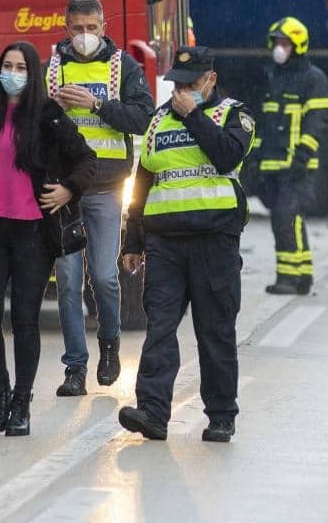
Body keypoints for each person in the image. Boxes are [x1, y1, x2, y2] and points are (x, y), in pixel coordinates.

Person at [0, 41, 95, 436]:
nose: (12, 73)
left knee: (25, 319)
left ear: (33, 75)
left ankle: (23, 401)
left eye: (21, 67)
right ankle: (0, 389)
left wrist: (67, 190)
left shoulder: (49, 118)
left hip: (32, 231)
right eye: (6, 66)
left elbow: (86, 161)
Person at [118, 46, 253, 444]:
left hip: (215, 240)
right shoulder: (158, 120)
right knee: (159, 328)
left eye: (190, 83)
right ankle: (153, 412)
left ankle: (222, 416)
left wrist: (194, 115)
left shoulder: (233, 114)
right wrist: (133, 239)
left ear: (210, 79)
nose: (180, 90)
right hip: (165, 243)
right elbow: (143, 182)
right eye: (176, 82)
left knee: (215, 332)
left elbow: (227, 156)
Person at [47, 0, 154, 398]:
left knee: (106, 278)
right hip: (66, 192)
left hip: (107, 187)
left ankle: (109, 345)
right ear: (66, 27)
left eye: (93, 28)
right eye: (78, 29)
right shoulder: (52, 68)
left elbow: (142, 118)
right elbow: (34, 126)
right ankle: (75, 367)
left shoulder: (122, 66)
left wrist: (97, 104)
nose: (85, 36)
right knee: (69, 280)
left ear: (104, 28)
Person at [250, 17, 328, 296]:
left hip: (297, 165)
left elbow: (318, 120)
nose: (278, 49)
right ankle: (304, 274)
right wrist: (256, 158)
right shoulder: (274, 77)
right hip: (273, 165)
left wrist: (303, 154)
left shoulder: (314, 79)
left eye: (284, 43)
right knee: (289, 218)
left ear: (298, 45)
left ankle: (288, 278)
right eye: (276, 43)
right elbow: (265, 122)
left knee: (285, 218)